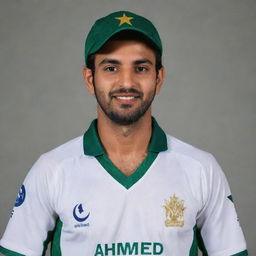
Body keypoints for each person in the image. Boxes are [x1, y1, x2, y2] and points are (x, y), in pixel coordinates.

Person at [0, 10, 248, 256]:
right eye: (111, 68)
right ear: (90, 79)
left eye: (141, 68)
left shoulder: (201, 169)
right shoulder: (52, 170)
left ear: (158, 78)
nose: (126, 82)